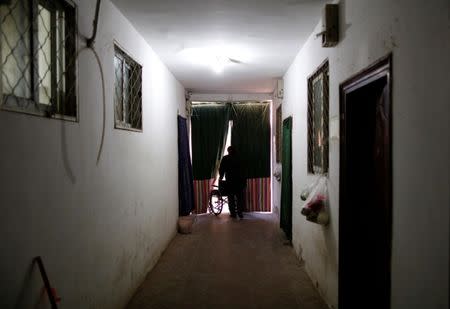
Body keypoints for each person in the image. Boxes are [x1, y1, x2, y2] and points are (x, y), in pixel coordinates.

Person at [218, 146, 246, 218]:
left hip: (230, 181)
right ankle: (240, 213)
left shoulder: (225, 158)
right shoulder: (240, 158)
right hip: (239, 181)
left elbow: (222, 169)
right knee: (239, 198)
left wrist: (221, 177)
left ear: (228, 151)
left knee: (231, 198)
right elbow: (243, 170)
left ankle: (233, 213)